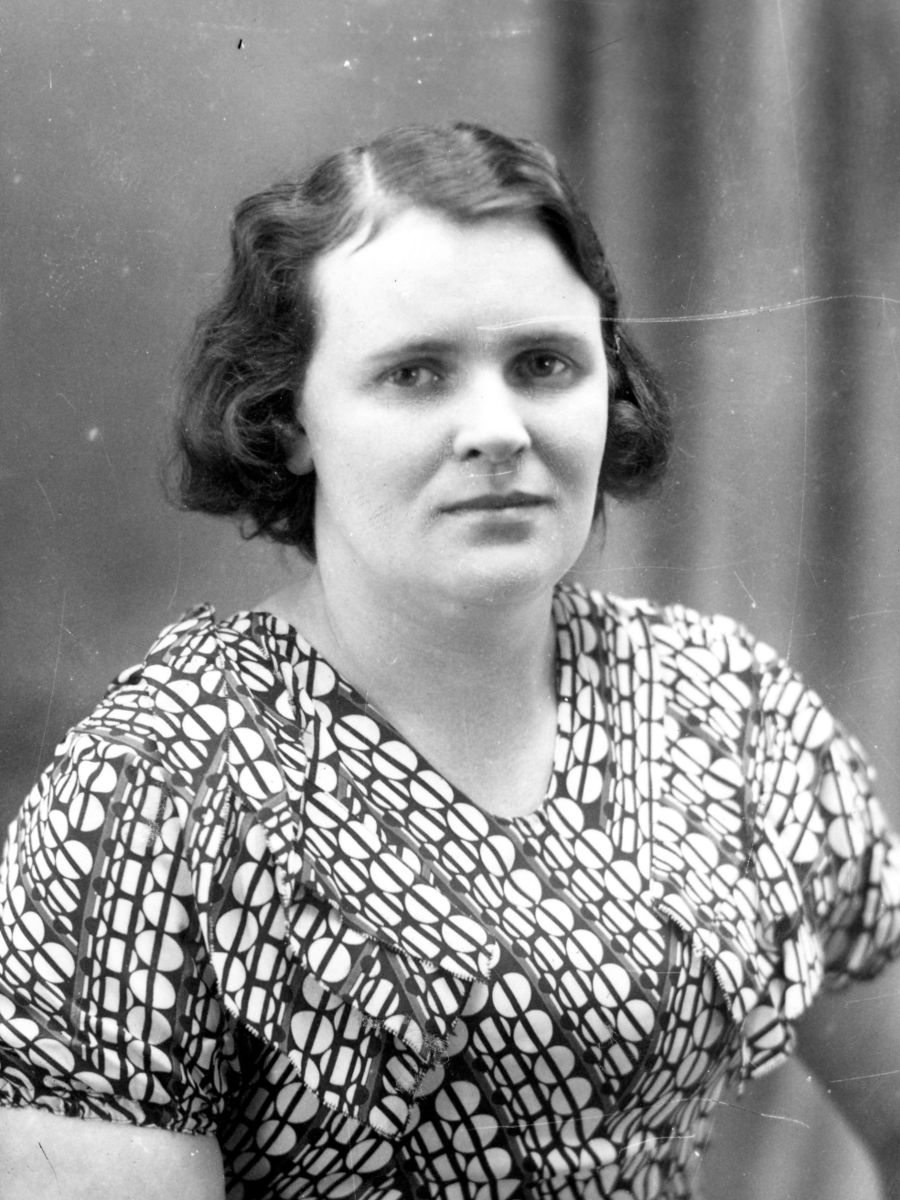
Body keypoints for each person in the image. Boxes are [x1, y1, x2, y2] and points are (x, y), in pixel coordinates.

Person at [1, 122, 899, 1200]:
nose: (498, 428)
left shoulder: (728, 706)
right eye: (416, 373)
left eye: (544, 364)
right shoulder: (159, 788)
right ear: (289, 420)